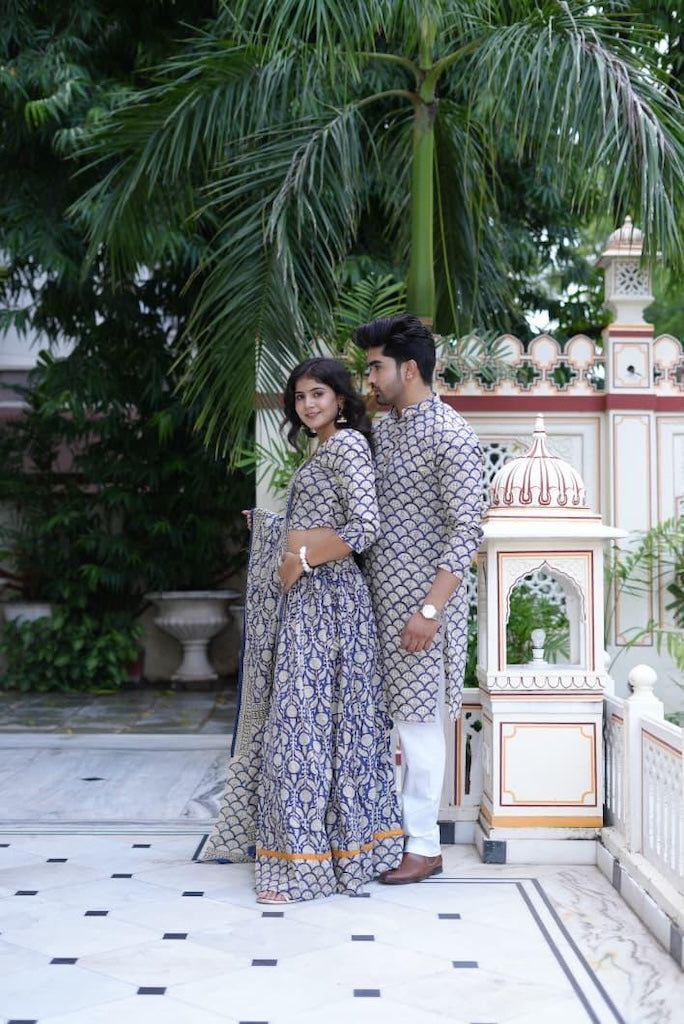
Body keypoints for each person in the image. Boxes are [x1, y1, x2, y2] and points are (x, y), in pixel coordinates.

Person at [202, 357, 403, 903]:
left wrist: (304, 561)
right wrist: (271, 531)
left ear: (341, 398)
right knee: (304, 725)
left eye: (319, 394)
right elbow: (317, 524)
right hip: (309, 602)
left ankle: (307, 866)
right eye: (299, 397)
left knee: (308, 727)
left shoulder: (348, 447)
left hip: (330, 601)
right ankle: (306, 854)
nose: (308, 405)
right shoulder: (321, 450)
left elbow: (364, 527)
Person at [354, 314, 484, 885]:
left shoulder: (453, 435)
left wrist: (430, 611)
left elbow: (465, 533)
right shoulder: (384, 431)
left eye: (376, 367)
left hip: (421, 616)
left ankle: (425, 846)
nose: (369, 380)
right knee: (382, 725)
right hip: (375, 607)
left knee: (417, 728)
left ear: (408, 369)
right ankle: (382, 835)